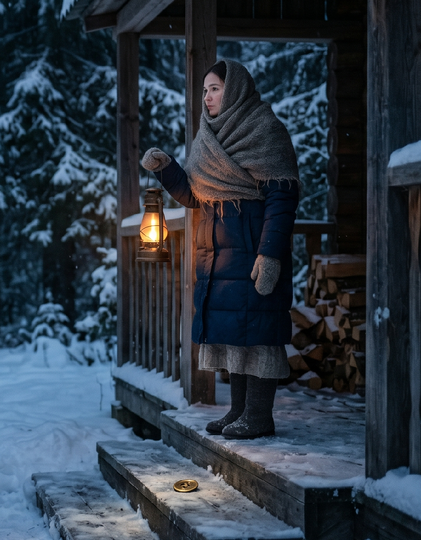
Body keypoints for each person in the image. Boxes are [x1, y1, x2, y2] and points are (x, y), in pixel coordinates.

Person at [140, 59, 299, 440]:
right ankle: (239, 411)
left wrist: (270, 254)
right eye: (206, 90)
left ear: (237, 90)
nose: (208, 97)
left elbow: (282, 198)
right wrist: (167, 170)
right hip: (217, 251)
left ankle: (259, 417)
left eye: (216, 89)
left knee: (258, 333)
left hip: (252, 247)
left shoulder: (264, 129)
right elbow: (196, 196)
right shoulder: (207, 137)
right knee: (236, 334)